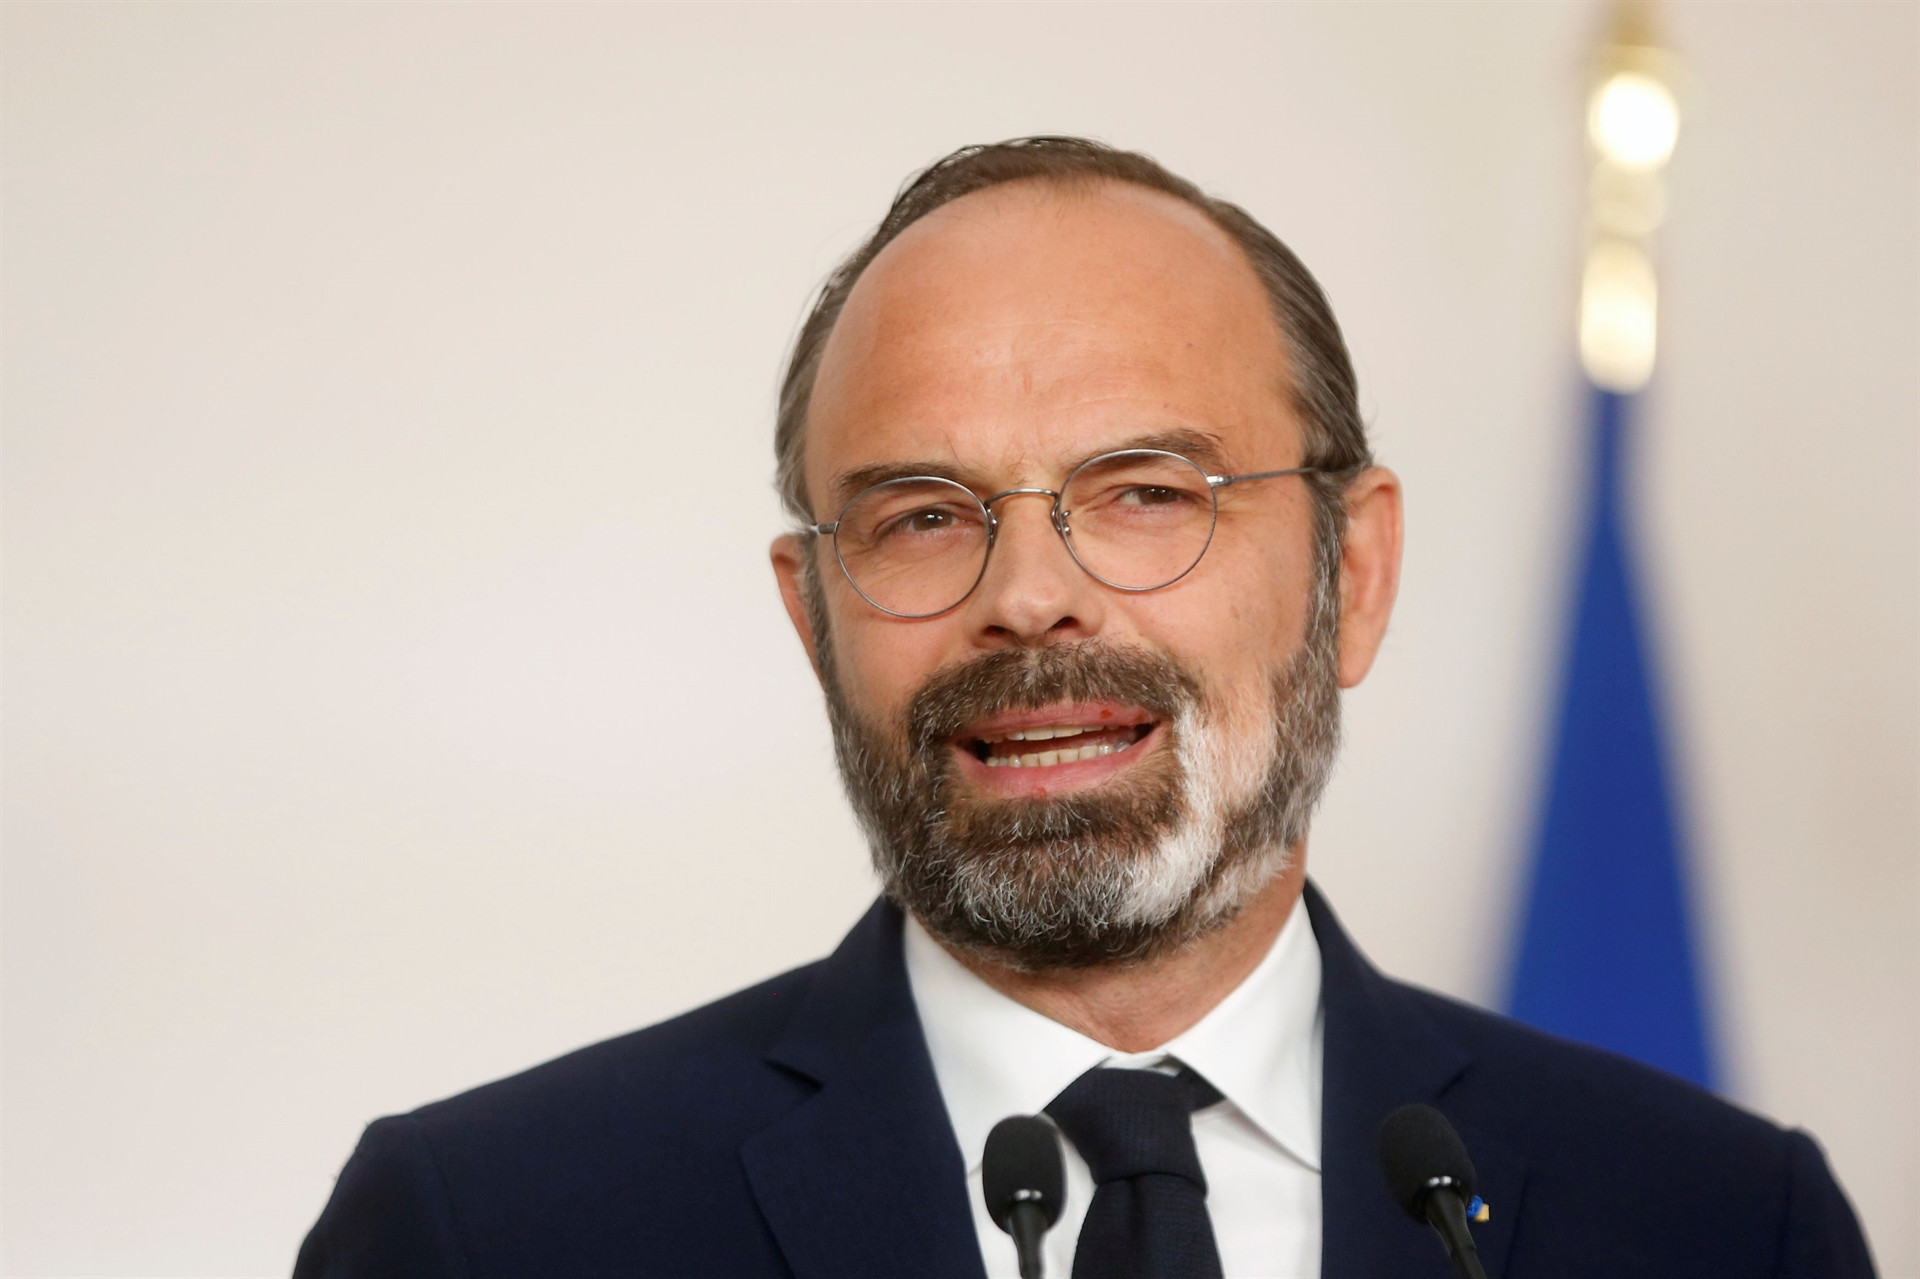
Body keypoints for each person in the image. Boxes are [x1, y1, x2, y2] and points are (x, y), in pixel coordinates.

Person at [295, 138, 1873, 1279]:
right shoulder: (494, 1229)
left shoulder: (1723, 1227)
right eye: (923, 516)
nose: (1030, 596)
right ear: (813, 617)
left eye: (1144, 492)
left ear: (1356, 574)